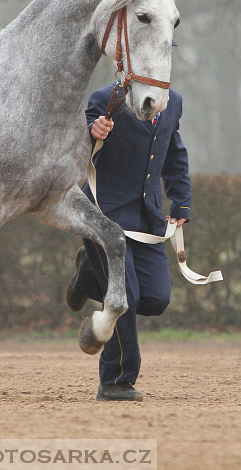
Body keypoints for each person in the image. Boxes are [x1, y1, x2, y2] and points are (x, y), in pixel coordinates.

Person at [68, 82, 191, 402]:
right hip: (103, 216)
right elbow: (72, 148)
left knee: (156, 299)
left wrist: (181, 203)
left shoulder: (173, 101)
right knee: (128, 297)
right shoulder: (105, 99)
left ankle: (90, 277)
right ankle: (116, 381)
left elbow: (173, 152)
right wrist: (92, 131)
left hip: (147, 218)